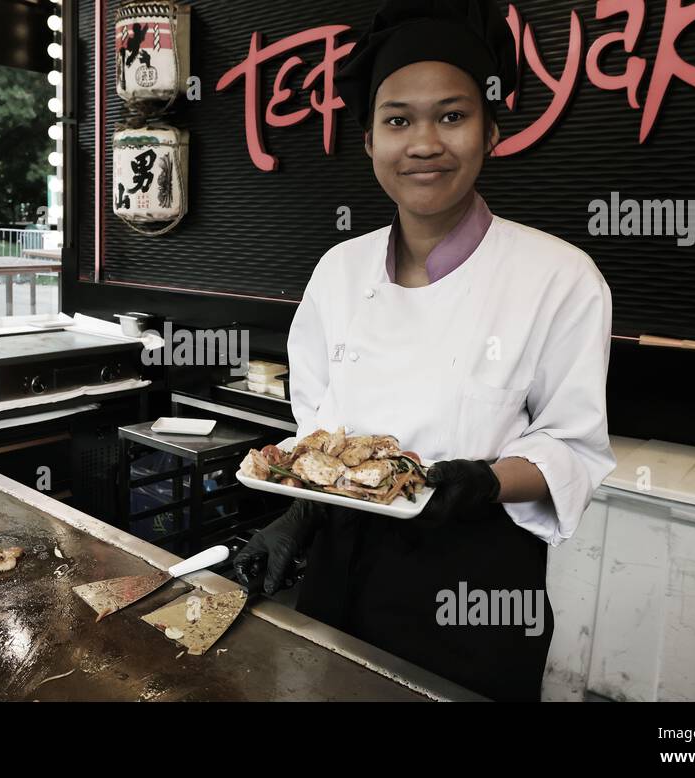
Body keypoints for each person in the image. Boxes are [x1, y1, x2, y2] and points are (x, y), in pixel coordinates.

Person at [232, 0, 616, 701]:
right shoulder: (338, 272)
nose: (423, 143)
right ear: (371, 140)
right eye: (398, 120)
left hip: (476, 581)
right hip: (340, 565)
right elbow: (320, 435)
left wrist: (486, 481)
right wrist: (299, 515)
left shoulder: (559, 277)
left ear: (491, 130)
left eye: (451, 115)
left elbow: (574, 447)